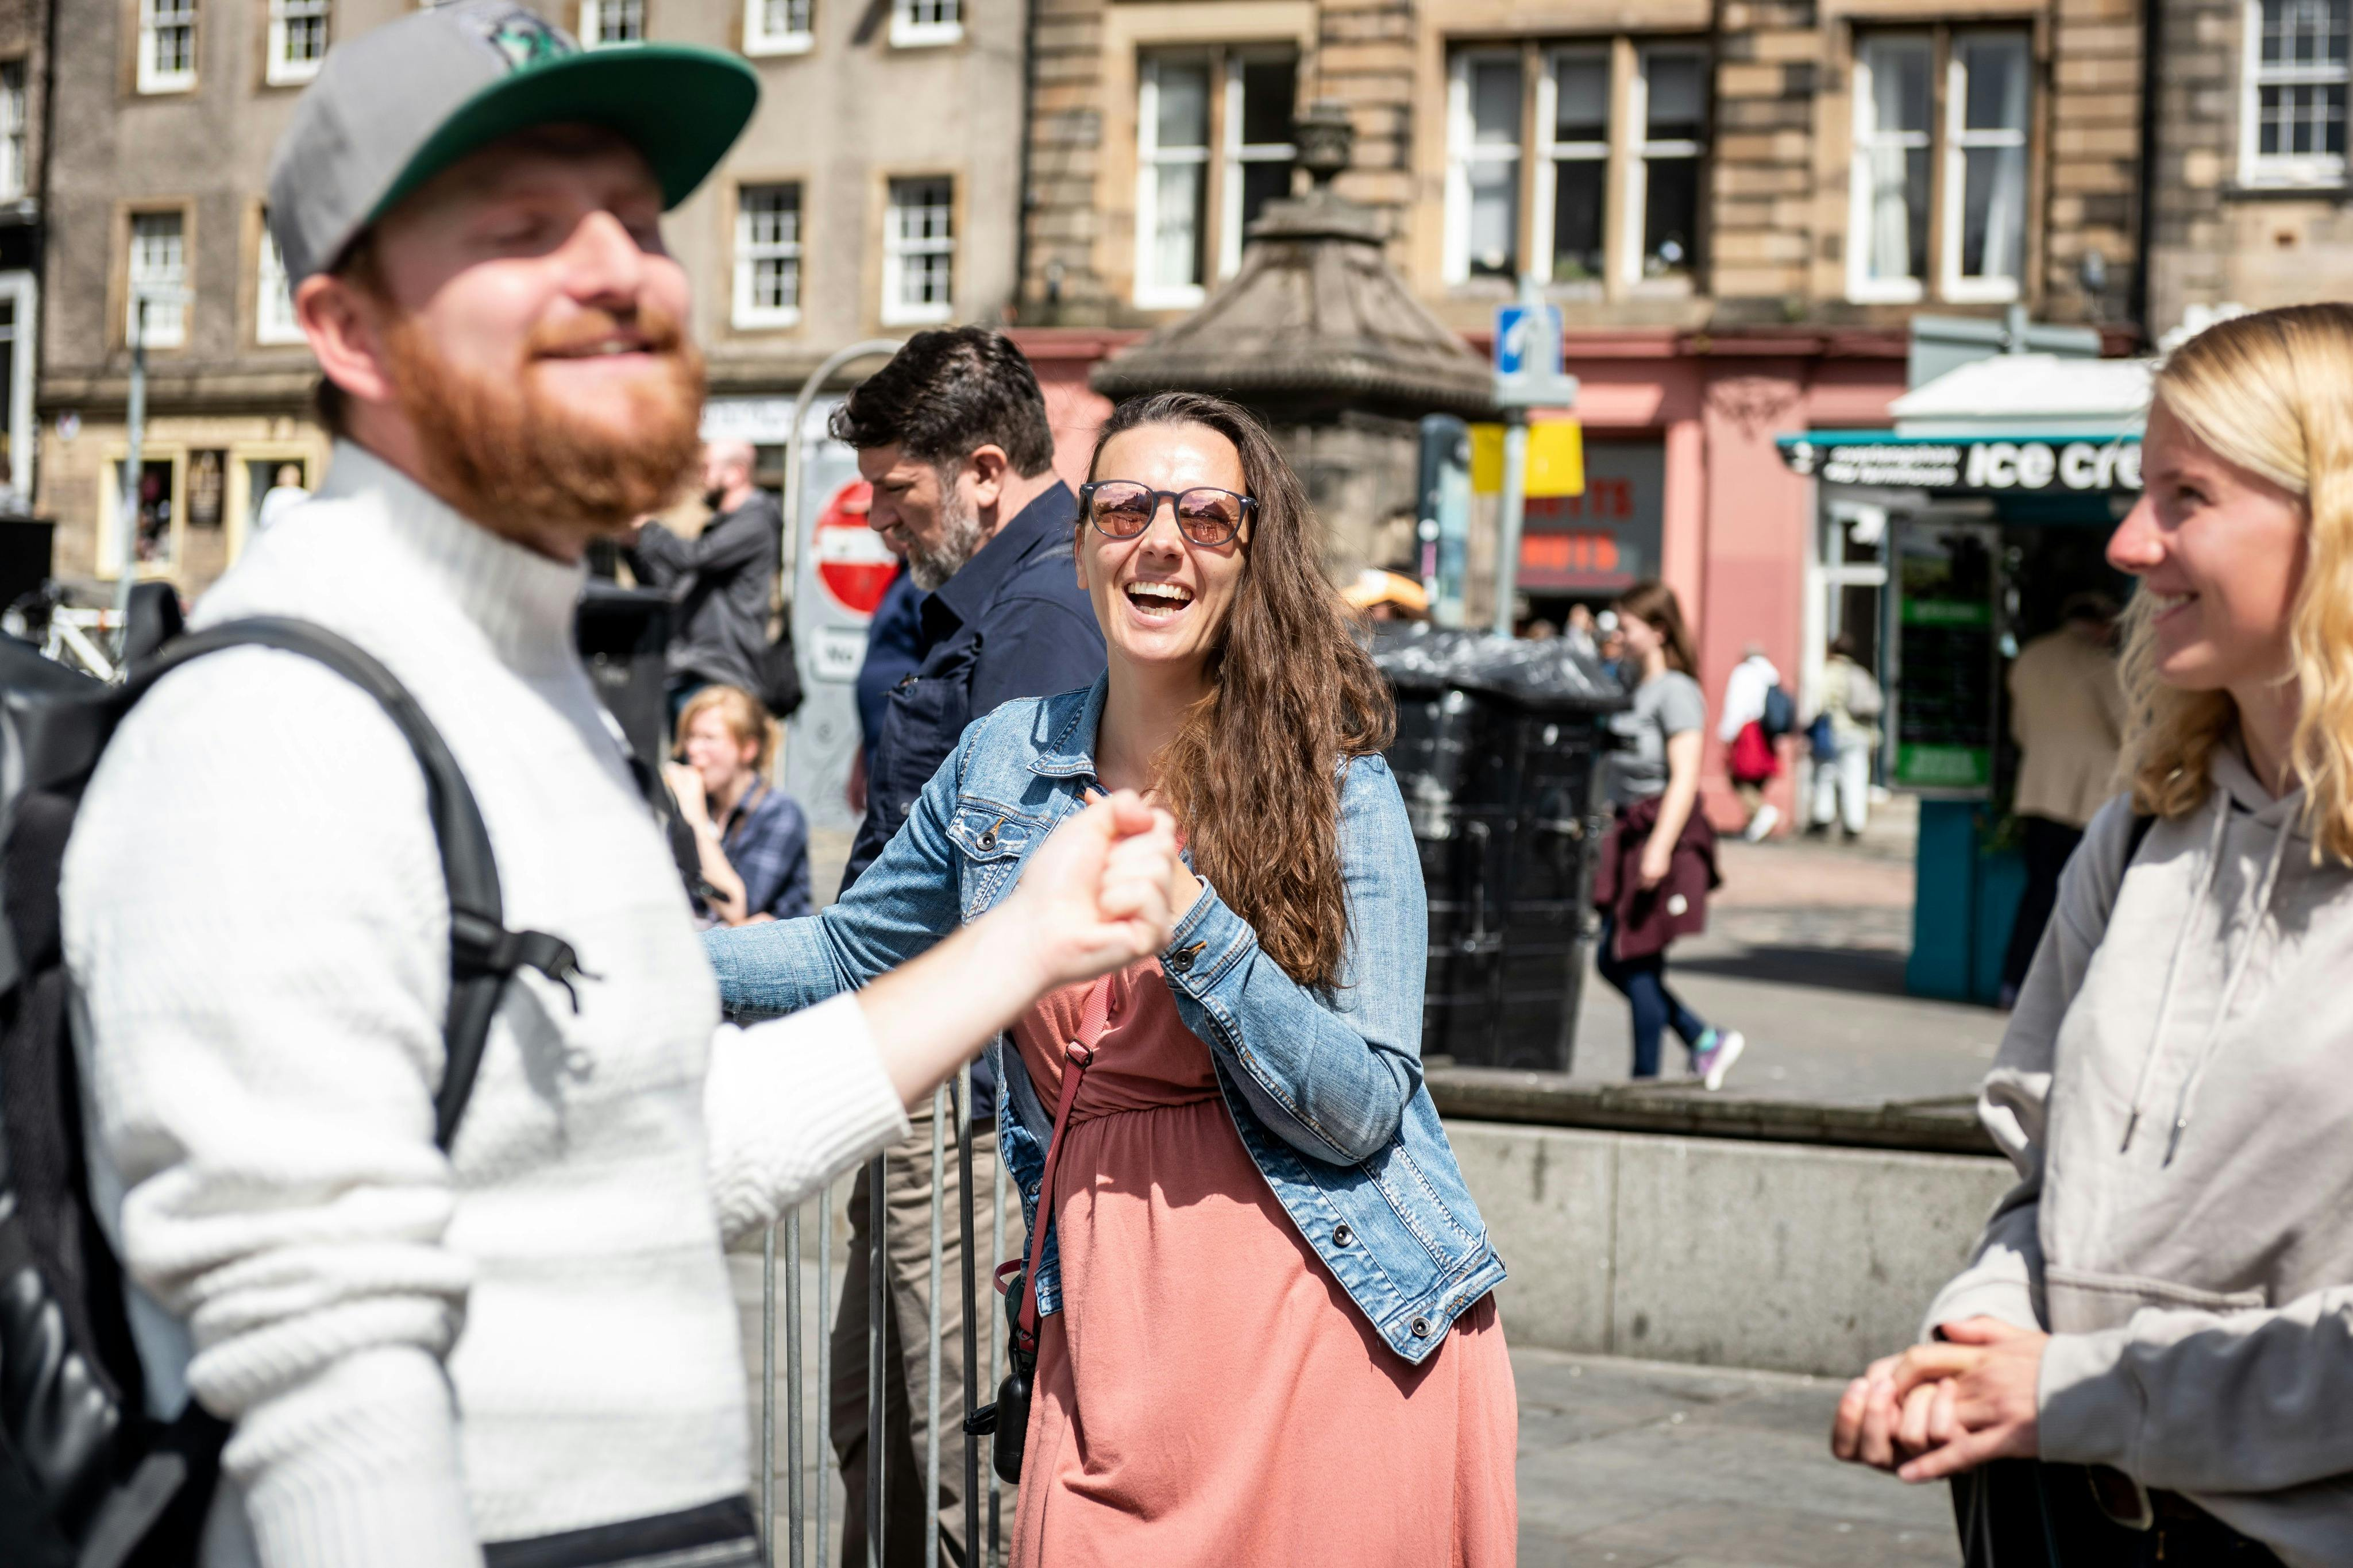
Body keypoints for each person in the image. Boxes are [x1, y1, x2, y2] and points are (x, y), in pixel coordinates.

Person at [56, 10, 1182, 1564]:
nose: (620, 270)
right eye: (523, 228)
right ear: (348, 331)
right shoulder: (279, 725)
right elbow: (326, 1403)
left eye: (640, 222)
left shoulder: (534, 701)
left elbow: (649, 1151)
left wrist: (1021, 941)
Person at [707, 392, 1519, 1567]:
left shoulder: (1334, 783)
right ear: (1084, 542)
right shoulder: (1004, 765)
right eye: (1126, 507)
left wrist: (1194, 926)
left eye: (1205, 516)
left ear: (1253, 555)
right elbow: (843, 953)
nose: (1160, 541)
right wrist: (630, 953)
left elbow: (1361, 1110)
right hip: (1104, 1335)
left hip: (1323, 1327)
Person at [1830, 304, 2353, 1566]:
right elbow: (2039, 1185)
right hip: (2064, 1518)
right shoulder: (2138, 835)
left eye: (2185, 496)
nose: (2128, 543)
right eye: (2139, 492)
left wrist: (2084, 1386)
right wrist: (1971, 1342)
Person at [820, 325, 1105, 1568]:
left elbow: (1004, 892)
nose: (877, 514)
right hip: (921, 1072)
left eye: (896, 488)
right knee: (873, 1421)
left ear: (984, 469)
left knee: (943, 1451)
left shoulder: (1043, 610)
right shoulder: (986, 597)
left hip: (967, 1097)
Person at [1594, 581, 1745, 1087]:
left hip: (1661, 836)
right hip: (1631, 833)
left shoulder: (1677, 692)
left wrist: (1658, 848)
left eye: (1628, 625)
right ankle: (1702, 1039)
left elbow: (1685, 777)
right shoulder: (1634, 685)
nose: (1619, 632)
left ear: (1659, 631)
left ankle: (1647, 1081)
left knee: (1633, 959)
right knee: (1623, 960)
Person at [1997, 591, 2126, 1002]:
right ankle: (2071, 992)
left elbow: (2021, 730)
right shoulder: (2099, 663)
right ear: (2102, 625)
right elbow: (2129, 727)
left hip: (2038, 790)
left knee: (2038, 892)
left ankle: (2014, 983)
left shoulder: (2030, 658)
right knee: (2088, 898)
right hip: (2090, 796)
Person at [626, 438, 781, 720]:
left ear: (736, 473)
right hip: (692, 672)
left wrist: (647, 526)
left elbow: (692, 557)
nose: (700, 479)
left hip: (723, 677)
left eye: (706, 469)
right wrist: (632, 544)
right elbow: (669, 586)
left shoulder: (755, 522)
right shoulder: (721, 527)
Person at [666, 682, 811, 926]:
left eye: (708, 738)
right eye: (690, 736)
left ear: (748, 749)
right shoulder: (694, 803)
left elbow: (735, 907)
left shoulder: (780, 813)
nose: (692, 749)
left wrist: (696, 822)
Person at [851, 554, 921, 814]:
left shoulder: (928, 580)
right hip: (882, 752)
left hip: (912, 768)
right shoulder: (904, 574)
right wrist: (863, 756)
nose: (878, 524)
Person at [1808, 633, 1883, 839]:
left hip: (1834, 732)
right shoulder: (1860, 674)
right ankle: (1854, 824)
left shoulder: (1827, 673)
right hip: (1858, 733)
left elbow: (1816, 704)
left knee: (1825, 775)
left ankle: (1822, 817)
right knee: (1856, 777)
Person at [1720, 642, 1783, 840]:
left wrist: (1727, 734)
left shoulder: (1744, 673)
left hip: (1746, 730)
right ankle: (1753, 824)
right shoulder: (1772, 675)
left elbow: (1736, 705)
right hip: (1765, 733)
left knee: (1740, 776)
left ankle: (1762, 812)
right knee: (1756, 778)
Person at [254, 461, 312, 533]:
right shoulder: (274, 494)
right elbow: (266, 519)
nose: (287, 478)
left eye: (290, 475)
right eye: (285, 475)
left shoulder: (304, 495)